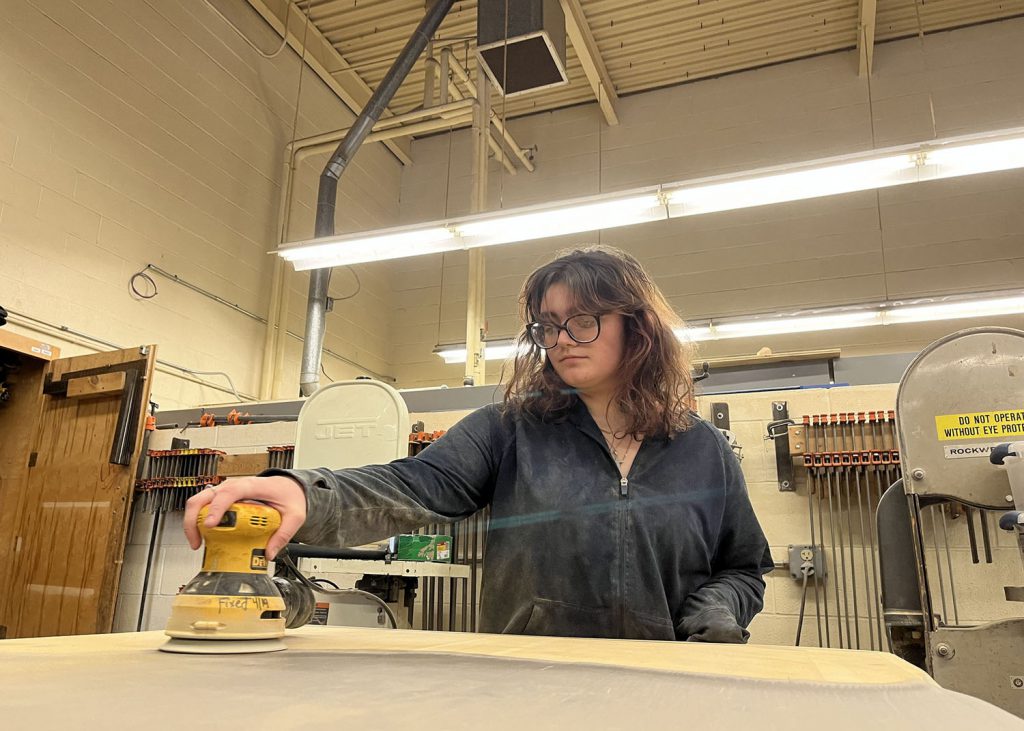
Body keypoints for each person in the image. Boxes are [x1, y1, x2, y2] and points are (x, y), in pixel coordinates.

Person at [184, 245, 773, 642]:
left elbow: (743, 568)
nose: (562, 339)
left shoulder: (703, 451)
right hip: (527, 686)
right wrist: (304, 493)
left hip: (661, 688)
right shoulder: (508, 429)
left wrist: (716, 612)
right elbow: (411, 486)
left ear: (636, 326)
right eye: (548, 324)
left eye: (583, 320)